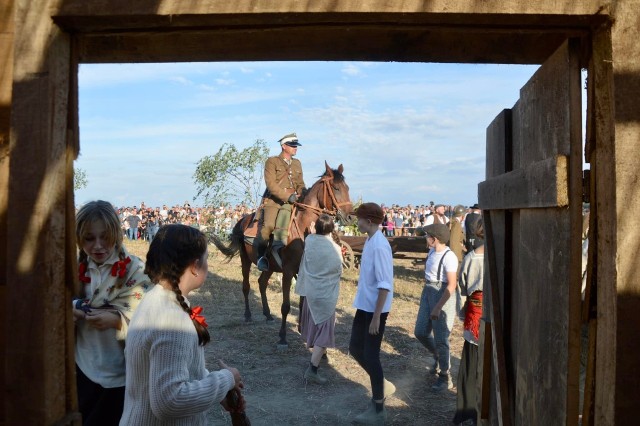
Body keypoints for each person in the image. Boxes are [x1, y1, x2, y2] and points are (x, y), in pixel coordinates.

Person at [120, 224, 243, 425]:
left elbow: (174, 369)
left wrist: (218, 393)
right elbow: (169, 401)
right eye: (206, 259)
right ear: (195, 267)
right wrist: (226, 378)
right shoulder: (173, 319)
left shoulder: (154, 300)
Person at [72, 200, 152, 425]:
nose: (98, 246)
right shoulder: (74, 269)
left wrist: (118, 320)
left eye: (105, 237)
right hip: (84, 368)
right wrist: (75, 307)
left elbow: (148, 317)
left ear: (116, 234)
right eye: (89, 238)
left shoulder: (135, 270)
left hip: (121, 376)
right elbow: (58, 301)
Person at [349, 202, 395, 425]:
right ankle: (382, 383)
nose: (356, 222)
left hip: (375, 310)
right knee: (355, 348)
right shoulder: (370, 240)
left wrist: (377, 316)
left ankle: (378, 409)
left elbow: (385, 285)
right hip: (365, 306)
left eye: (359, 218)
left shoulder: (379, 245)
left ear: (368, 221)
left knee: (371, 355)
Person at [295, 214, 343, 385]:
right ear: (331, 229)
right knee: (324, 330)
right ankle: (313, 369)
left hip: (311, 293)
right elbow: (338, 271)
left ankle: (317, 357)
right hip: (325, 295)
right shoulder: (335, 248)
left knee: (317, 326)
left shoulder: (309, 241)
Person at [414, 223, 459, 392]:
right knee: (420, 332)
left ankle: (445, 377)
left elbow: (452, 285)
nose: (426, 238)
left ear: (436, 239)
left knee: (441, 338)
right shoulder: (432, 251)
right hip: (428, 291)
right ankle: (438, 356)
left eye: (428, 236)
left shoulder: (449, 257)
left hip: (442, 294)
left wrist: (438, 307)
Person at [256, 132, 306, 271]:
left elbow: (300, 183)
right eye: (292, 145)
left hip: (294, 201)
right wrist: (286, 196)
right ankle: (261, 257)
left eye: (296, 145)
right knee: (268, 227)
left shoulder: (297, 163)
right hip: (275, 201)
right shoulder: (272, 162)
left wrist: (303, 192)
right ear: (284, 146)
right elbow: (271, 184)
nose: (295, 147)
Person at [453, 218, 485, 425]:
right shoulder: (511, 253)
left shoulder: (472, 259)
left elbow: (463, 289)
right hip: (490, 319)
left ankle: (469, 411)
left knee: (473, 367)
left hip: (477, 317)